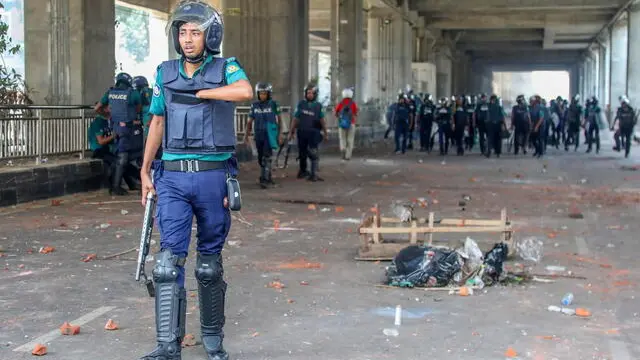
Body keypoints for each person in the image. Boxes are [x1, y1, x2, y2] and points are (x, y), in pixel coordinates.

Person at [139, 1, 253, 359]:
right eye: (183, 32)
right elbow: (157, 121)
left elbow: (245, 92)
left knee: (207, 265)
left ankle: (212, 339)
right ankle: (167, 346)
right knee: (166, 265)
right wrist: (145, 170)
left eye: (195, 32)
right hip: (172, 177)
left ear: (210, 36)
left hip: (212, 176)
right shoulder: (165, 72)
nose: (188, 40)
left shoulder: (225, 68)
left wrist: (202, 92)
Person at [95, 72, 142, 195]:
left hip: (116, 127)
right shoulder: (132, 93)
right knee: (123, 157)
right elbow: (139, 109)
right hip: (128, 128)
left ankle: (119, 185)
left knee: (121, 155)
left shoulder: (110, 93)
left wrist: (109, 116)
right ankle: (115, 187)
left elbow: (97, 108)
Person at [289, 84, 328, 182]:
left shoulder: (318, 106)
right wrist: (291, 131)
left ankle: (313, 173)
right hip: (302, 132)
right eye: (308, 93)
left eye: (311, 93)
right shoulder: (301, 104)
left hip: (314, 132)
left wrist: (325, 132)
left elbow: (322, 120)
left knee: (313, 152)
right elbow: (295, 118)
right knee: (302, 153)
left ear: (315, 94)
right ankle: (302, 171)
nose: (309, 95)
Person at [246, 82, 281, 188]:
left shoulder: (273, 104)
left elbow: (279, 120)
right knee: (261, 158)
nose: (262, 96)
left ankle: (264, 179)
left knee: (267, 156)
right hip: (258, 134)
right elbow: (249, 121)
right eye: (260, 93)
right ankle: (267, 176)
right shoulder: (254, 105)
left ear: (269, 94)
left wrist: (279, 134)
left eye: (265, 93)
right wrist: (246, 135)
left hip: (269, 134)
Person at [88, 106, 116, 186]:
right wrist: (113, 136)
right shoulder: (98, 122)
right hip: (98, 150)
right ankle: (114, 186)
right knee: (117, 162)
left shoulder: (109, 121)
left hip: (107, 149)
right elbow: (101, 141)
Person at [334, 87, 358, 160]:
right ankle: (348, 156)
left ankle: (343, 149)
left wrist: (340, 118)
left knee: (342, 138)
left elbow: (336, 113)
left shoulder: (340, 103)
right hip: (351, 123)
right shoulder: (353, 103)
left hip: (342, 124)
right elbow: (355, 114)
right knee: (350, 139)